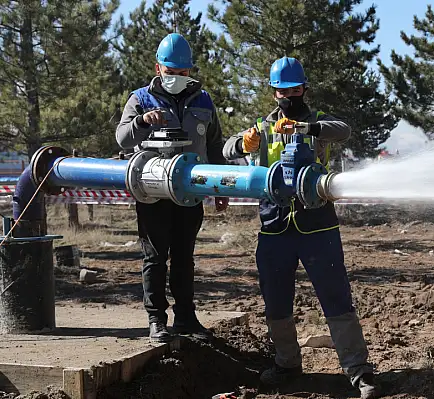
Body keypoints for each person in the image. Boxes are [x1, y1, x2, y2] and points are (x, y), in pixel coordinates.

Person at [222, 57, 378, 399]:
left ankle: (358, 370)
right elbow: (227, 148)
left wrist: (306, 129)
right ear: (274, 93)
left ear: (304, 89)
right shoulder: (263, 127)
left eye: (294, 89)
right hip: (274, 228)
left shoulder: (319, 122)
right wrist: (242, 145)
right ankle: (287, 364)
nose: (288, 96)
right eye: (282, 91)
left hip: (317, 227)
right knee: (276, 302)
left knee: (336, 298)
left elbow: (343, 130)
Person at [115, 33, 228, 343]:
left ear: (189, 71)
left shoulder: (203, 100)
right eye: (171, 71)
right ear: (158, 68)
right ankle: (156, 320)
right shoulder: (140, 99)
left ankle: (186, 318)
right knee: (154, 258)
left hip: (189, 193)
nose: (176, 78)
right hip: (152, 194)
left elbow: (215, 145)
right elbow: (122, 138)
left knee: (184, 257)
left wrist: (220, 188)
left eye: (182, 72)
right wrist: (141, 121)